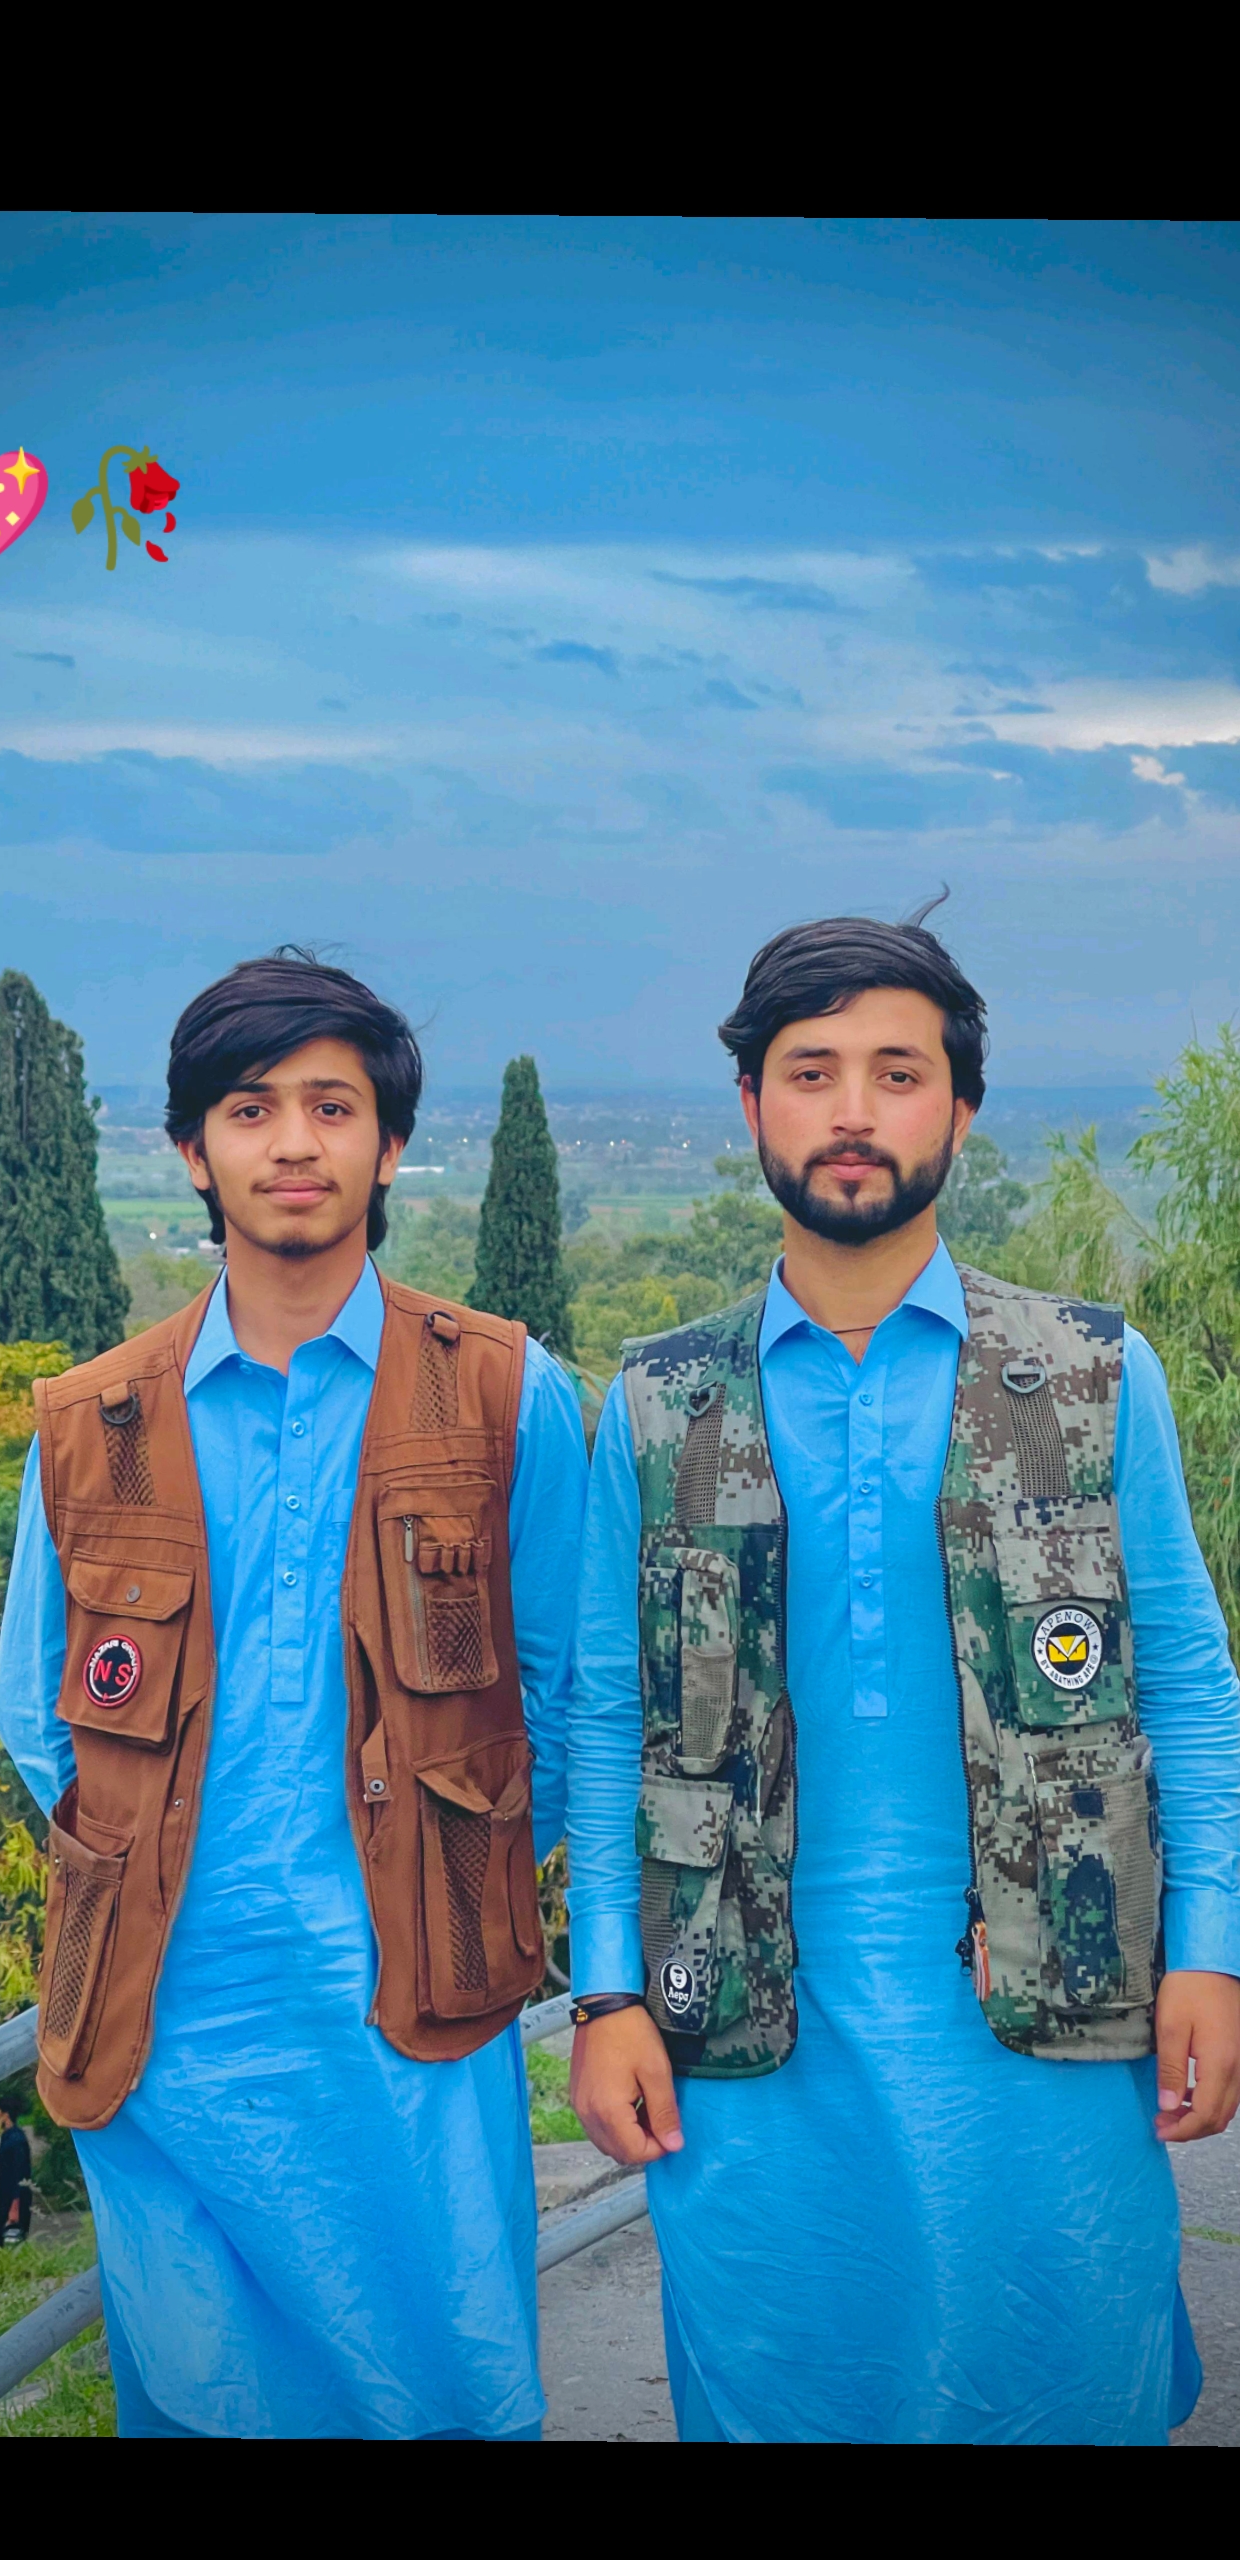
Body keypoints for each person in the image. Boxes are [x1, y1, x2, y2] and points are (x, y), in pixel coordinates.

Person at [566, 908, 1240, 2446]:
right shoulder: (662, 1407)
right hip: (748, 2028)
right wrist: (605, 1992)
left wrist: (1213, 1952)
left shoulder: (1092, 1378)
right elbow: (609, 1717)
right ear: (752, 1103)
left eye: (898, 1072)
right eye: (812, 1074)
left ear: (963, 1109)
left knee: (1063, 2377)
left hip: (1051, 2016)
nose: (854, 1111)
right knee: (786, 2380)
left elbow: (1190, 1689)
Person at [0, 948, 588, 2438]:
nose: (295, 1143)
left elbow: (571, 1697)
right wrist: (153, 1864)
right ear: (194, 1151)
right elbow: (36, 1717)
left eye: (333, 1105)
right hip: (166, 2028)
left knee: (445, 2384)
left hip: (416, 2026)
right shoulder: (92, 1425)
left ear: (391, 1144)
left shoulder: (504, 1392)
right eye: (251, 1109)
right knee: (202, 2394)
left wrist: (456, 1865)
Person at [0, 2100, 32, 2247]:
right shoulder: (8, 2135)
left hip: (13, 2198)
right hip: (5, 2196)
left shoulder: (16, 2140)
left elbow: (19, 2174)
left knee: (10, 2237)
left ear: (6, 2115)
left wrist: (14, 2206)